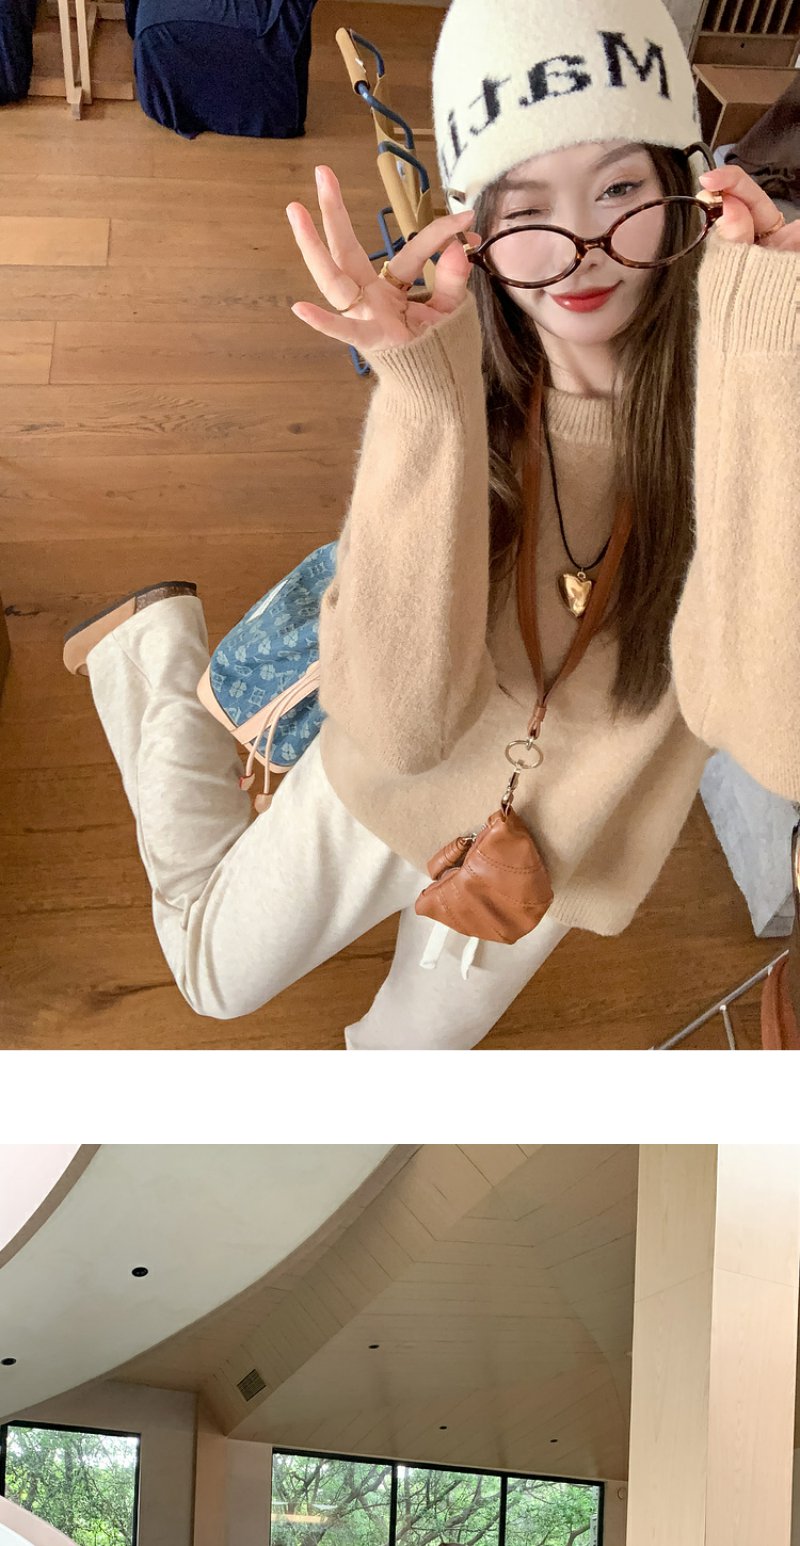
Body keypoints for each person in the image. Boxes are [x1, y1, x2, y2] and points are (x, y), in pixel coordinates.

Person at [62, 0, 800, 1051]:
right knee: (213, 976)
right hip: (396, 776)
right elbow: (401, 727)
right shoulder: (460, 379)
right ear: (475, 231)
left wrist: (771, 348)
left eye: (621, 189)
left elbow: (775, 734)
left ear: (686, 185)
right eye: (526, 206)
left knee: (407, 1060)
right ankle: (153, 651)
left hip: (568, 843)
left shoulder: (748, 389)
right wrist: (421, 395)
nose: (582, 251)